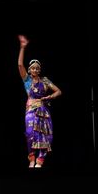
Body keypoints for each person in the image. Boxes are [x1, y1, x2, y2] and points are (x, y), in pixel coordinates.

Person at [17, 34, 62, 168]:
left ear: (39, 69)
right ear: (29, 70)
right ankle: (31, 158)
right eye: (33, 68)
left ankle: (40, 160)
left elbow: (59, 91)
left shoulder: (45, 80)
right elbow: (20, 64)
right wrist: (22, 48)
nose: (35, 69)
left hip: (43, 111)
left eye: (37, 68)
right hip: (31, 110)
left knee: (44, 135)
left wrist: (50, 97)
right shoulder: (27, 80)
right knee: (31, 133)